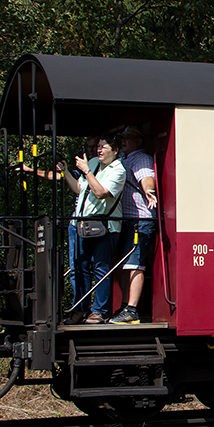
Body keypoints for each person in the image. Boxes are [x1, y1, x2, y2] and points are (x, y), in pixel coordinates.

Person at [22, 136, 99, 324]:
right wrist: (33, 171)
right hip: (77, 223)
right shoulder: (83, 170)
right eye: (88, 147)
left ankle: (91, 310)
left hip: (94, 223)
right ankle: (80, 308)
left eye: (94, 147)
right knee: (77, 267)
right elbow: (60, 177)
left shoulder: (101, 168)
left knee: (94, 267)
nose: (90, 151)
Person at [73, 134, 125, 323]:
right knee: (81, 267)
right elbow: (80, 189)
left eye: (104, 147)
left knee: (102, 268)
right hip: (86, 224)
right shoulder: (94, 163)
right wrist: (65, 173)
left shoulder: (118, 170)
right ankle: (82, 308)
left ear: (115, 151)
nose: (99, 150)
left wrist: (87, 171)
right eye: (99, 146)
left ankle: (99, 311)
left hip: (106, 226)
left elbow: (101, 192)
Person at [111, 126, 157, 324]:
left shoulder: (141, 158)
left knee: (135, 264)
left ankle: (132, 310)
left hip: (140, 220)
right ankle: (124, 306)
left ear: (139, 141)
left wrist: (149, 190)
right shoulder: (123, 158)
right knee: (123, 264)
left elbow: (147, 178)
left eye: (128, 138)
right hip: (126, 220)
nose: (123, 141)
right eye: (122, 138)